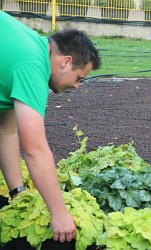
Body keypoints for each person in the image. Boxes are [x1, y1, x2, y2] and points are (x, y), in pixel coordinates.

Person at [0, 10, 101, 242]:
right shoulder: (32, 65)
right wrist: (59, 213)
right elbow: (34, 148)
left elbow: (6, 129)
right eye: (79, 77)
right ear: (66, 62)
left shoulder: (31, 45)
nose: (77, 86)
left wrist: (18, 193)